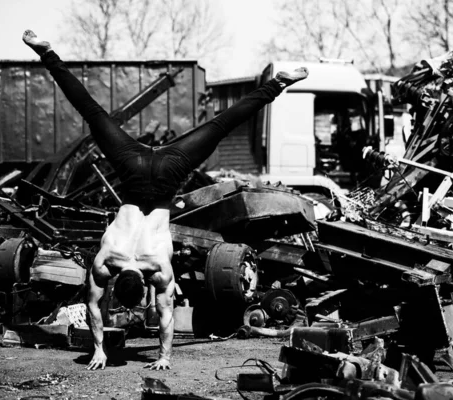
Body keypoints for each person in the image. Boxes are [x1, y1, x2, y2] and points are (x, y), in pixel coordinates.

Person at [22, 30, 308, 371]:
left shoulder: (156, 268)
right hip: (132, 167)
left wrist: (158, 356)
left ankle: (277, 83)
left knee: (220, 125)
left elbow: (161, 314)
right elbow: (97, 308)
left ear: (141, 284)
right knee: (94, 113)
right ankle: (47, 53)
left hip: (168, 177)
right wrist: (113, 349)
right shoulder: (107, 260)